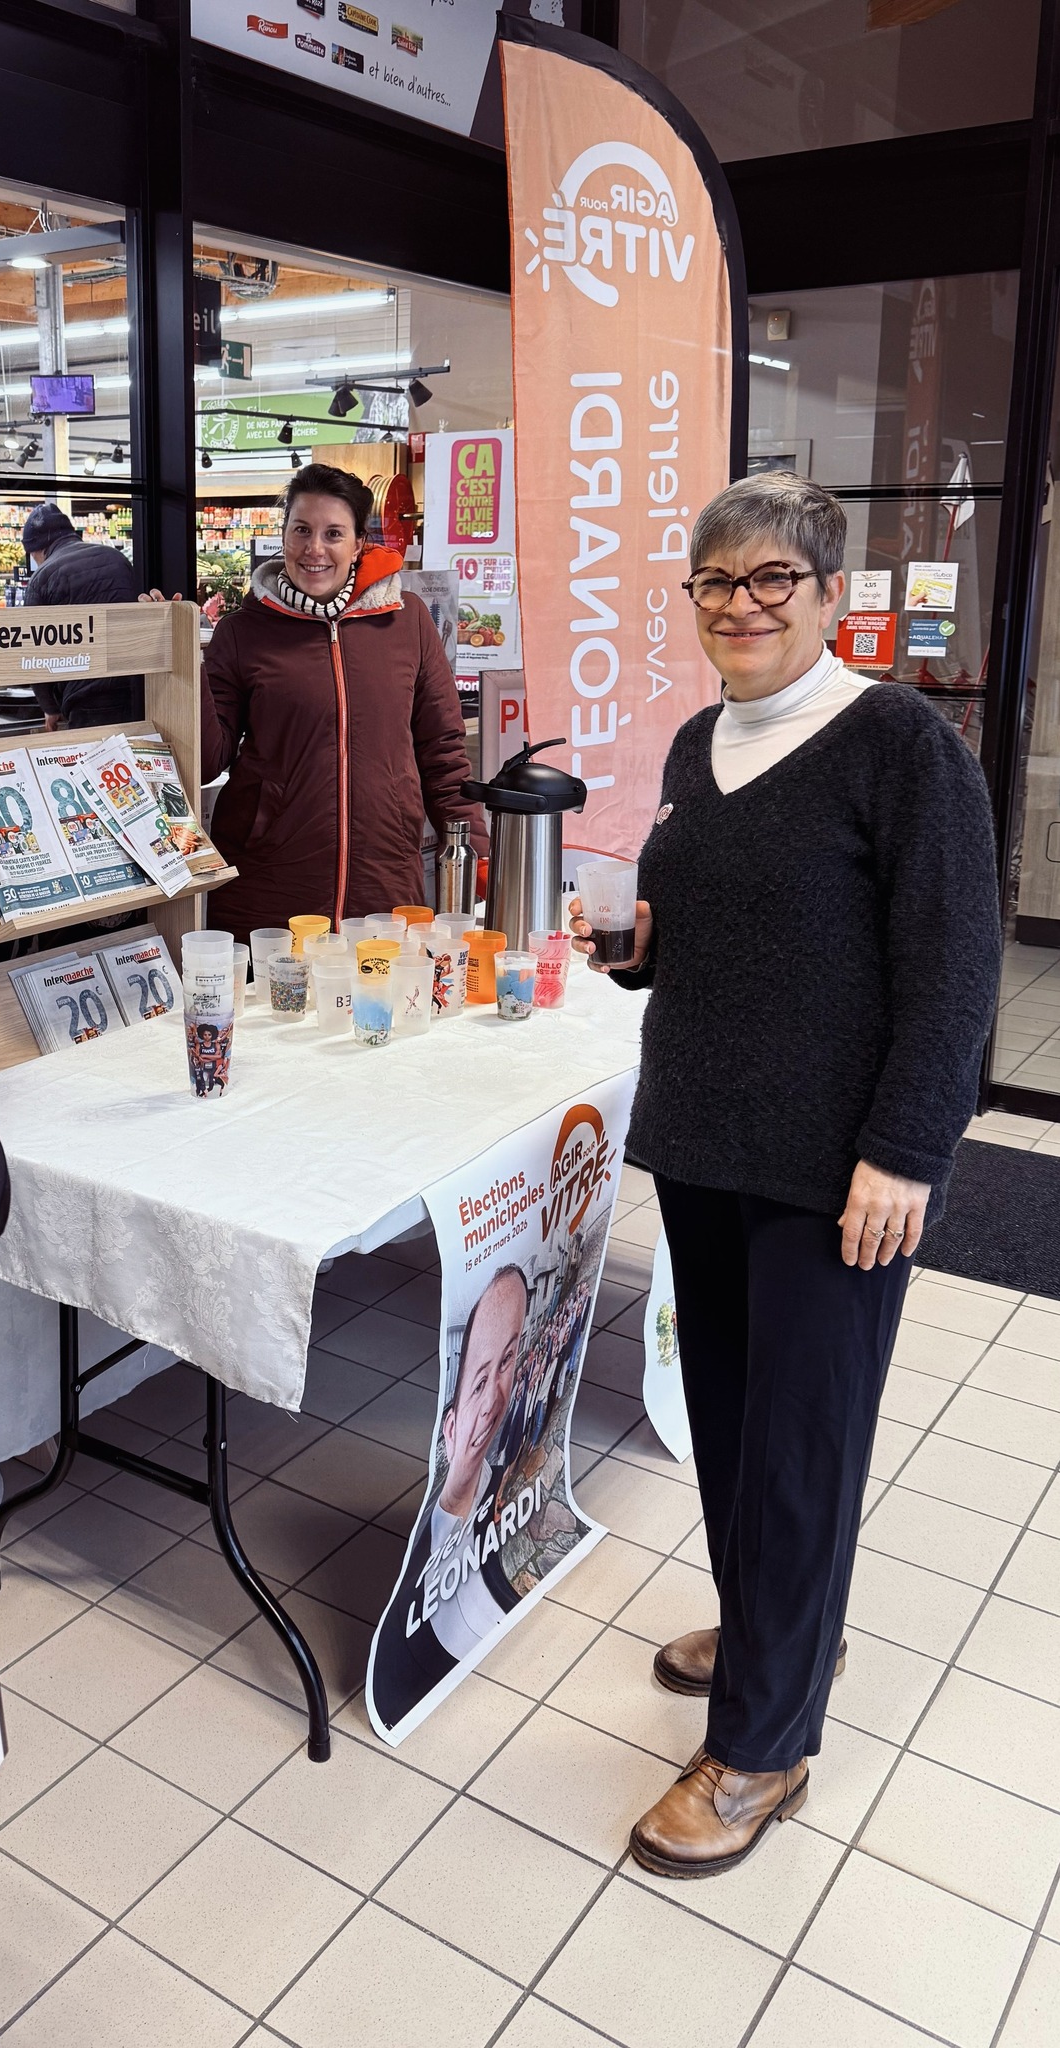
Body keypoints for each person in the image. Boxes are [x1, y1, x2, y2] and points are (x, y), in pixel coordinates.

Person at [571, 472, 1001, 1878]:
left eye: (772, 581)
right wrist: (642, 949)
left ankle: (764, 1746)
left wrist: (907, 1150)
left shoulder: (900, 746)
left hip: (833, 1170)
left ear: (827, 597)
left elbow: (952, 965)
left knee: (803, 1448)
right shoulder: (702, 743)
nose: (741, 605)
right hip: (704, 1141)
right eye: (715, 582)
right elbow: (712, 928)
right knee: (732, 1421)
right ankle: (762, 1636)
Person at [200, 463, 487, 940]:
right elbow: (211, 759)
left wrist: (475, 851)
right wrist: (182, 666)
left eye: (333, 533)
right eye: (302, 530)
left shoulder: (408, 622)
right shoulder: (242, 631)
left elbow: (443, 752)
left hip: (383, 881)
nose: (315, 549)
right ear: (284, 537)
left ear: (358, 544)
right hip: (268, 886)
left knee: (378, 1011)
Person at [369, 1264, 526, 1732]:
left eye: (508, 1361)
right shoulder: (414, 1555)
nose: (495, 1399)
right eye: (478, 1384)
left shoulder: (512, 1484)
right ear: (449, 1425)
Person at [19, 501, 143, 729]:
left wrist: (49, 708)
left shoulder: (43, 577)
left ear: (37, 548)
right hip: (132, 689)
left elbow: (33, 650)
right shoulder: (117, 559)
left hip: (84, 698)